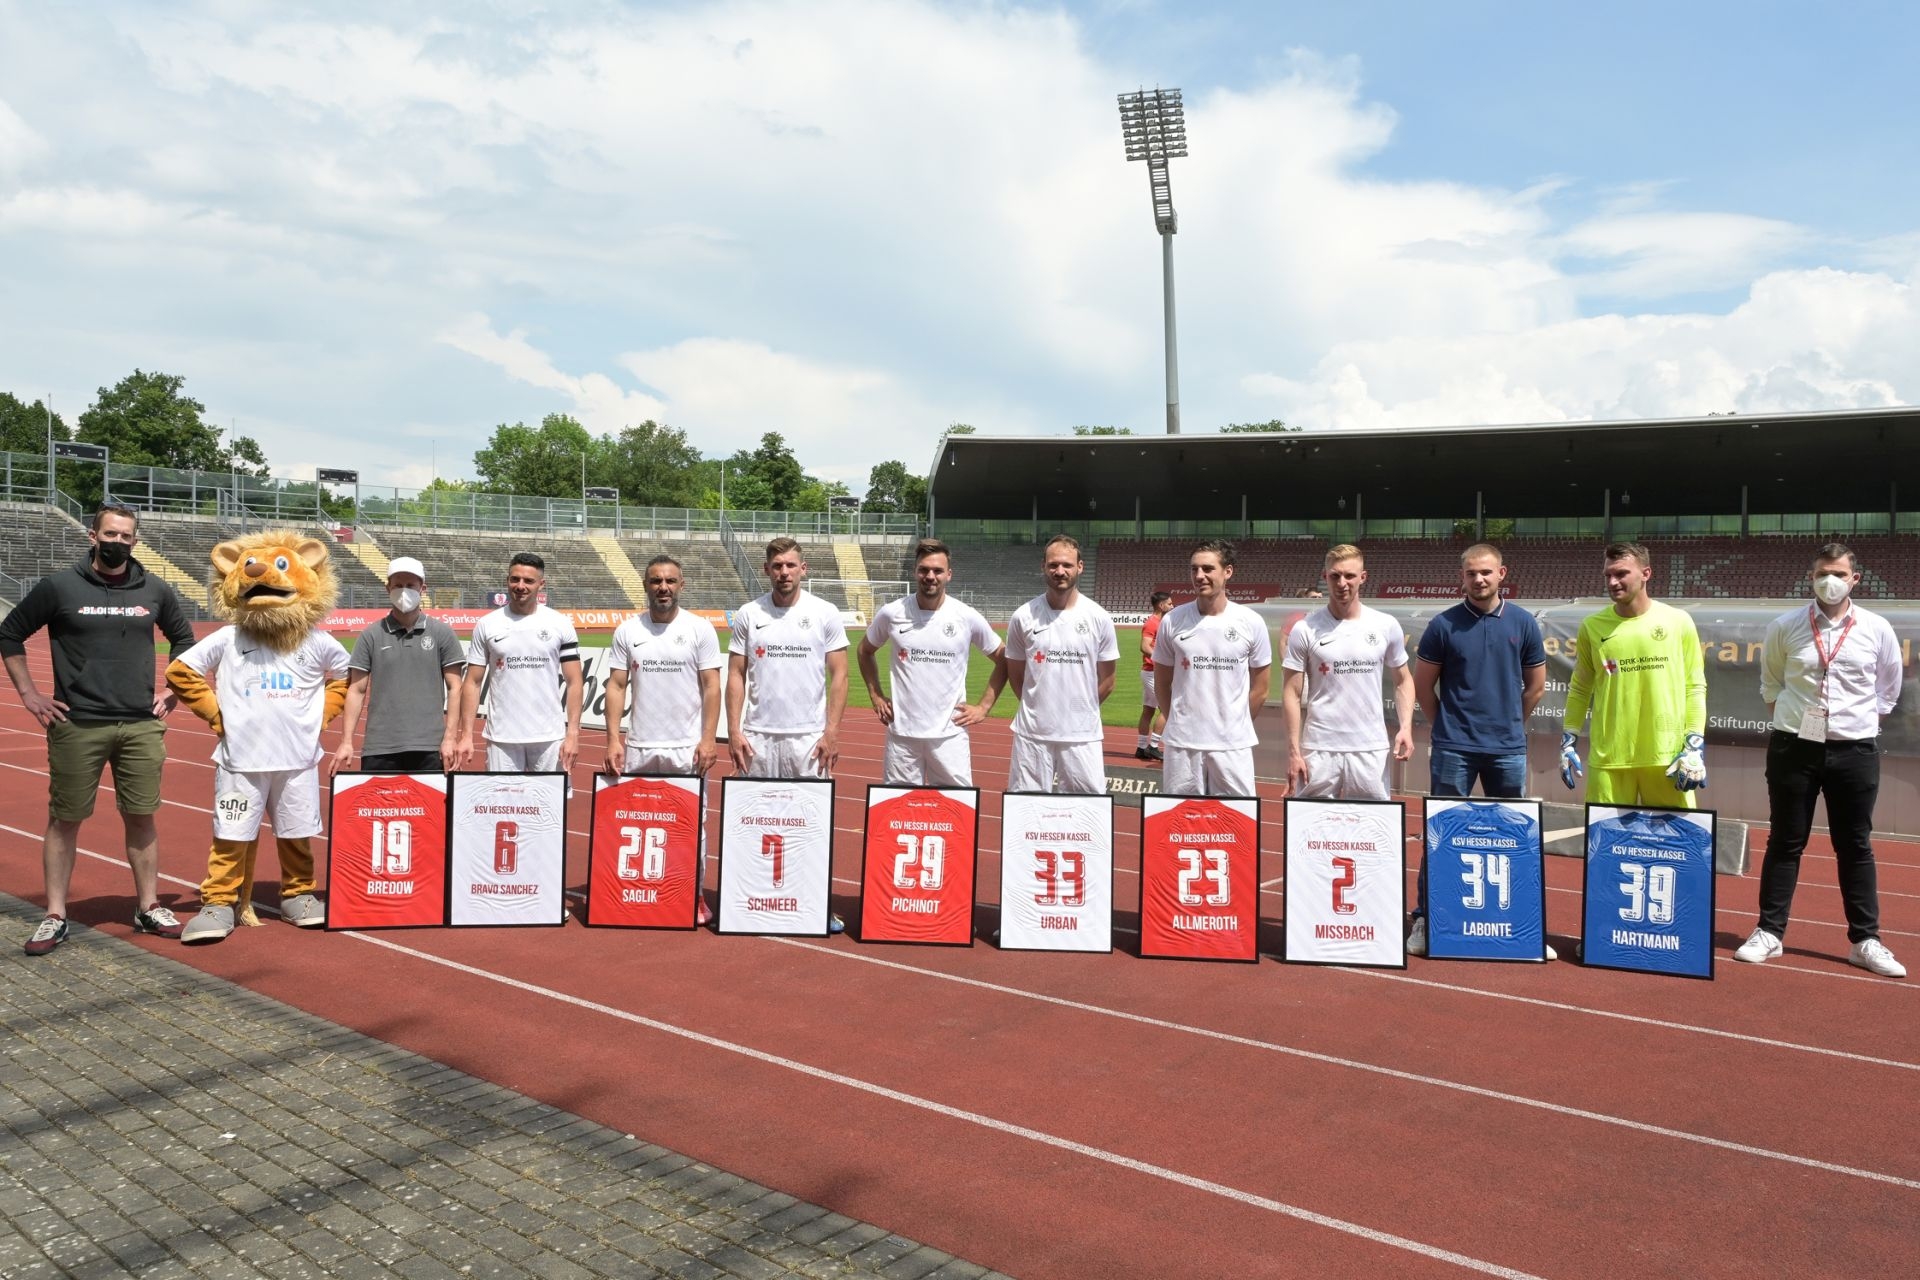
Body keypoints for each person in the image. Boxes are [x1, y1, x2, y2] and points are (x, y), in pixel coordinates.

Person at [1, 504, 196, 954]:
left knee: (142, 816)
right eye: (111, 534)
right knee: (65, 819)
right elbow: (9, 634)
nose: (118, 543)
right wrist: (29, 694)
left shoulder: (155, 588)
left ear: (135, 541)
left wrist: (174, 691)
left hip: (140, 725)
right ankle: (55, 915)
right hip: (78, 723)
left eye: (126, 536)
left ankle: (148, 906)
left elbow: (184, 639)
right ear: (93, 536)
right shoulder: (59, 586)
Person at [1736, 543, 1905, 977]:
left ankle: (1865, 940)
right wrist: (1795, 723)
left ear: (1855, 579)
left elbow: (1888, 688)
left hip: (1855, 750)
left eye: (1839, 573)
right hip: (1795, 748)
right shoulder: (1785, 626)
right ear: (1811, 578)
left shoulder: (1877, 628)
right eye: (1822, 573)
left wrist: (1853, 724)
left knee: (1855, 845)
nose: (1830, 581)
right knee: (1785, 841)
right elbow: (1771, 684)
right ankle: (1769, 932)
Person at [1406, 543, 1549, 957]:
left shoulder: (1523, 622)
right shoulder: (1443, 625)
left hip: (1507, 749)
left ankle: (1522, 923)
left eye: (1486, 572)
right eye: (1471, 573)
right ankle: (1426, 918)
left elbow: (1535, 687)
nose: (1479, 579)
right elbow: (1423, 686)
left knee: (1514, 838)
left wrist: (1509, 724)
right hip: (1454, 749)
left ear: (1502, 573)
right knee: (1441, 836)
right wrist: (1445, 727)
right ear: (1462, 577)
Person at [727, 537, 849, 932]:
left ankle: (816, 904)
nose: (784, 573)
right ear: (766, 570)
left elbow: (840, 675)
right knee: (755, 823)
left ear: (803, 569)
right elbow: (735, 675)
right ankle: (750, 901)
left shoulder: (824, 612)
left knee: (812, 826)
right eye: (777, 566)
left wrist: (832, 732)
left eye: (790, 565)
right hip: (758, 737)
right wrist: (733, 730)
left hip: (808, 739)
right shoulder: (749, 614)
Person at [604, 554, 724, 924]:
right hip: (640, 745)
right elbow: (616, 686)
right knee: (634, 824)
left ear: (681, 585)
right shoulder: (628, 631)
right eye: (656, 581)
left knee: (690, 827)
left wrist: (708, 739)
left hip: (686, 748)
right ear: (646, 585)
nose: (663, 588)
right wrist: (613, 740)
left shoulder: (700, 630)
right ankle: (636, 891)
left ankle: (693, 895)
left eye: (670, 581)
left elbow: (712, 686)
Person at [1558, 542, 1707, 808]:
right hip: (1609, 759)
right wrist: (1568, 742)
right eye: (1608, 575)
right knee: (1604, 836)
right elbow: (1580, 688)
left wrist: (1694, 744)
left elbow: (1694, 686)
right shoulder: (1592, 626)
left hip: (1668, 758)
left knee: (1673, 836)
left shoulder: (1678, 621)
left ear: (1646, 573)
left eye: (1621, 574)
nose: (1612, 582)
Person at [856, 538, 1006, 787]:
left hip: (949, 736)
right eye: (924, 570)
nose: (930, 576)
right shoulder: (892, 613)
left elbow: (1003, 657)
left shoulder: (965, 616)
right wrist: (876, 696)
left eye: (937, 570)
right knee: (900, 806)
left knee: (955, 805)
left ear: (949, 574)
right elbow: (864, 650)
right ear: (915, 572)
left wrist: (983, 707)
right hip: (902, 735)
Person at [1282, 544, 1414, 799]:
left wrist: (1405, 727)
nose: (1342, 583)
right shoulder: (1305, 629)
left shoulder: (1385, 625)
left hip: (1370, 747)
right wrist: (1294, 752)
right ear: (1325, 577)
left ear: (1363, 577)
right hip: (1318, 747)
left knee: (1371, 820)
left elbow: (1403, 680)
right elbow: (1292, 692)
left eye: (1350, 576)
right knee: (1311, 820)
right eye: (1335, 576)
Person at [1153, 541, 1272, 797]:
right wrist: (1177, 720)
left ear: (1227, 571)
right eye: (1194, 569)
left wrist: (1234, 724)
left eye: (1208, 569)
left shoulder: (1251, 622)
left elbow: (1261, 688)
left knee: (1236, 816)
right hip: (1183, 744)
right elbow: (1161, 682)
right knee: (1181, 815)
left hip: (1232, 745)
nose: (1199, 576)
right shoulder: (1172, 620)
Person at [1003, 535, 1119, 794]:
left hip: (1082, 735)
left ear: (1080, 567)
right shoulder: (1023, 616)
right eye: (1053, 565)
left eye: (1067, 565)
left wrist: (1081, 710)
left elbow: (1108, 681)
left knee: (1086, 807)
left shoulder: (1098, 617)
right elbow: (1015, 675)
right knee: (1027, 806)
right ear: (1043, 566)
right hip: (1032, 734)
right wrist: (1038, 708)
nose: (1060, 571)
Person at [331, 556, 464, 775]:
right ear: (388, 588)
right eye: (398, 585)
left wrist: (450, 738)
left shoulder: (442, 633)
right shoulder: (370, 635)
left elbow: (455, 687)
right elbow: (357, 689)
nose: (404, 591)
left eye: (410, 585)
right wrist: (346, 741)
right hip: (380, 747)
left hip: (430, 747)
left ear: (422, 589)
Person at [456, 553, 583, 775]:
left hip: (549, 737)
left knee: (551, 798)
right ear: (507, 580)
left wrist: (572, 734)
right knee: (501, 798)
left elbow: (574, 682)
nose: (520, 586)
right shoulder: (487, 624)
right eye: (515, 579)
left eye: (528, 581)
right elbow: (473, 682)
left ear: (541, 584)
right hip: (501, 738)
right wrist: (466, 735)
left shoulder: (560, 623)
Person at [1135, 590, 1174, 760]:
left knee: (1148, 710)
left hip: (1150, 671)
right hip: (1153, 672)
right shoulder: (1152, 623)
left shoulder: (1161, 622)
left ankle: (1141, 747)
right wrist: (1160, 659)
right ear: (1161, 605)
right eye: (1170, 604)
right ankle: (1153, 746)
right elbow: (1144, 646)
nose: (1172, 606)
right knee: (1168, 708)